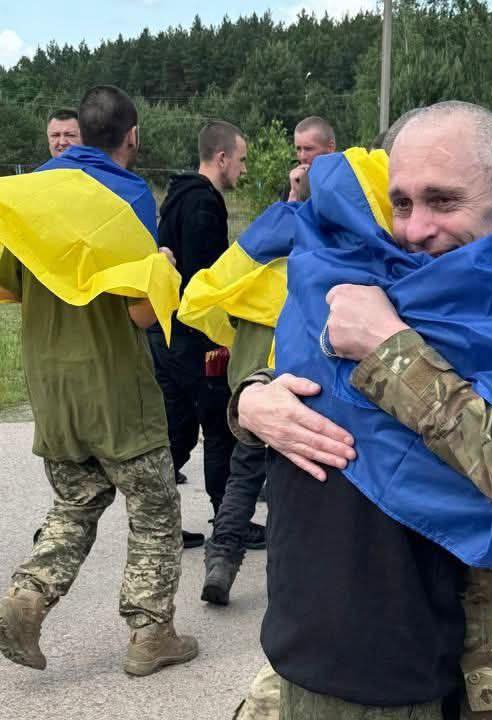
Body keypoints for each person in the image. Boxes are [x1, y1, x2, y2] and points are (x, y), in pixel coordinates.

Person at [232, 101, 492, 719]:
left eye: (443, 201)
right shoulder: (409, 268)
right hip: (395, 623)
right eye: (402, 203)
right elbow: (319, 372)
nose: (416, 228)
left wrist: (388, 348)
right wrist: (253, 398)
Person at [0, 85, 197, 676]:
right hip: (115, 388)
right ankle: (151, 635)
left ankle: (26, 599)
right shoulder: (129, 195)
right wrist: (164, 273)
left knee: (75, 503)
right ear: (132, 135)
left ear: (78, 133)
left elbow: (10, 287)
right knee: (155, 510)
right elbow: (140, 312)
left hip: (51, 386)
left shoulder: (29, 192)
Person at [201, 176, 311, 606]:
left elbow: (230, 315)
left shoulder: (256, 257)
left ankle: (222, 559)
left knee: (243, 477)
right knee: (291, 486)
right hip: (294, 389)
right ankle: (288, 583)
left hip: (248, 389)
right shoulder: (321, 257)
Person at [147, 121, 249, 550]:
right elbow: (205, 278)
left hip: (165, 330)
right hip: (193, 335)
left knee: (180, 429)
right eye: (241, 160)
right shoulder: (204, 203)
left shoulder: (176, 196)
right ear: (222, 158)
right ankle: (228, 523)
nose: (244, 169)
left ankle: (157, 525)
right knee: (219, 424)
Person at [286, 116, 336, 202]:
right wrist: (294, 193)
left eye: (308, 149)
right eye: (298, 149)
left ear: (330, 148)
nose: (302, 157)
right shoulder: (296, 179)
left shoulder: (345, 178)